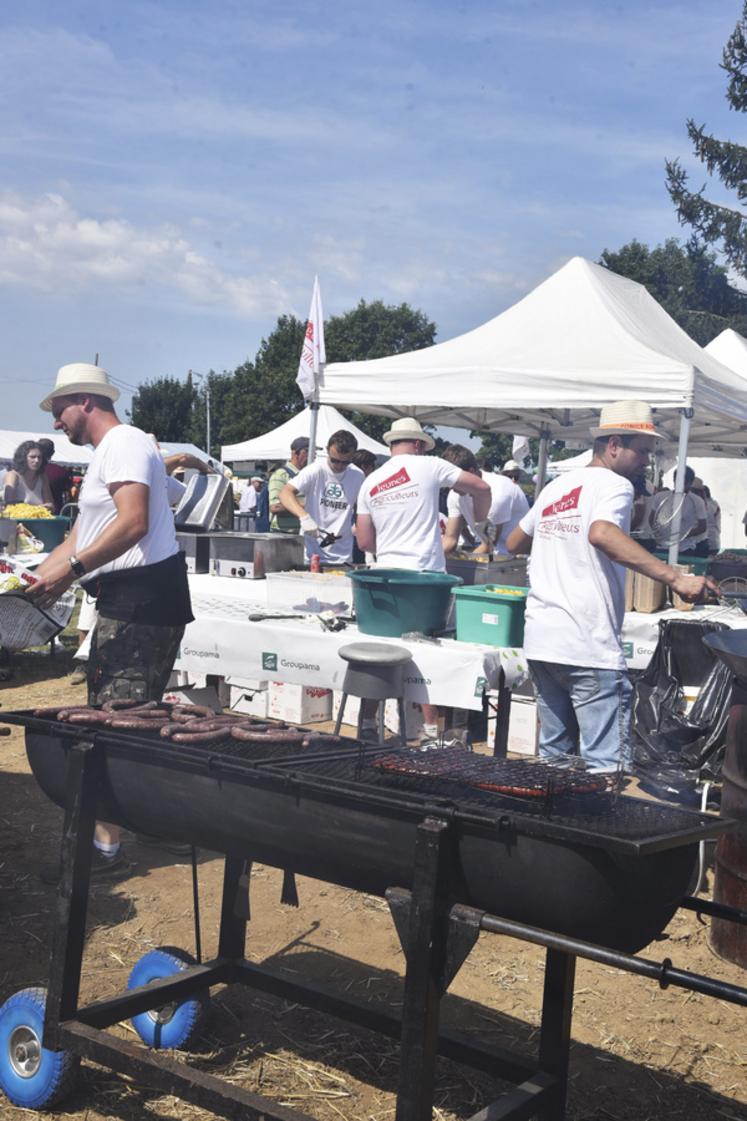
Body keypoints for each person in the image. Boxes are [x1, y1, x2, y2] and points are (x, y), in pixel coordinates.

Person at [29, 362, 194, 879]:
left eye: (59, 411)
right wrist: (32, 581)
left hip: (141, 605)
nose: (57, 424)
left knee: (112, 726)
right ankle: (165, 825)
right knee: (131, 720)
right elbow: (81, 534)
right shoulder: (112, 451)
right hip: (133, 601)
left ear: (85, 402)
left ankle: (107, 852)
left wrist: (72, 570)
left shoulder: (123, 442)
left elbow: (133, 522)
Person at [506, 400, 715, 775]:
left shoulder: (557, 487)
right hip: (587, 645)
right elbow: (601, 533)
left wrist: (561, 545)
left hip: (542, 640)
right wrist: (675, 578)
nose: (646, 462)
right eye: (643, 452)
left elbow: (515, 543)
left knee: (556, 761)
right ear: (614, 445)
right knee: (607, 768)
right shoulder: (615, 485)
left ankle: (555, 831)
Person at [356, 417, 490, 743]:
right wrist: (482, 518)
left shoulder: (370, 481)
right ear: (418, 444)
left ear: (392, 445)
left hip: (384, 576)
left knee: (381, 653)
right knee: (425, 654)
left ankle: (367, 725)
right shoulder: (430, 465)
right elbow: (481, 486)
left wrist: (390, 545)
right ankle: (431, 732)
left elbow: (364, 542)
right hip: (425, 578)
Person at [279, 429, 364, 565]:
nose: (339, 466)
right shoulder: (316, 470)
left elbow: (360, 506)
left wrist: (359, 526)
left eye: (345, 462)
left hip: (343, 554)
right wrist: (304, 517)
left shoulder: (358, 475)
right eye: (335, 460)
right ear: (327, 451)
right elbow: (285, 493)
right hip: (311, 553)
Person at [441, 446, 523, 557]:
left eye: (455, 480)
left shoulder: (498, 492)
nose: (451, 487)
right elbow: (450, 540)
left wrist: (464, 561)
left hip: (513, 558)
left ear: (470, 472)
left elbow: (488, 545)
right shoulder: (455, 494)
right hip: (490, 553)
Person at [269, 437, 309, 534]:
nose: (313, 455)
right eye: (307, 451)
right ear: (296, 453)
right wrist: (307, 505)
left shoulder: (309, 475)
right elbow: (275, 507)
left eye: (314, 452)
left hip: (303, 532)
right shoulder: (280, 475)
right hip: (283, 533)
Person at [3, 440, 54, 510]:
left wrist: (49, 507)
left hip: (40, 520)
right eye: (32, 457)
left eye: (39, 457)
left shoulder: (43, 477)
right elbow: (9, 505)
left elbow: (50, 504)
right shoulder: (13, 475)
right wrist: (36, 509)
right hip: (17, 520)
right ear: (23, 458)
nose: (37, 460)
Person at [37, 439, 73, 514]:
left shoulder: (28, 470)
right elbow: (71, 493)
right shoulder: (61, 471)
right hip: (56, 514)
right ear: (53, 453)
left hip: (30, 514)